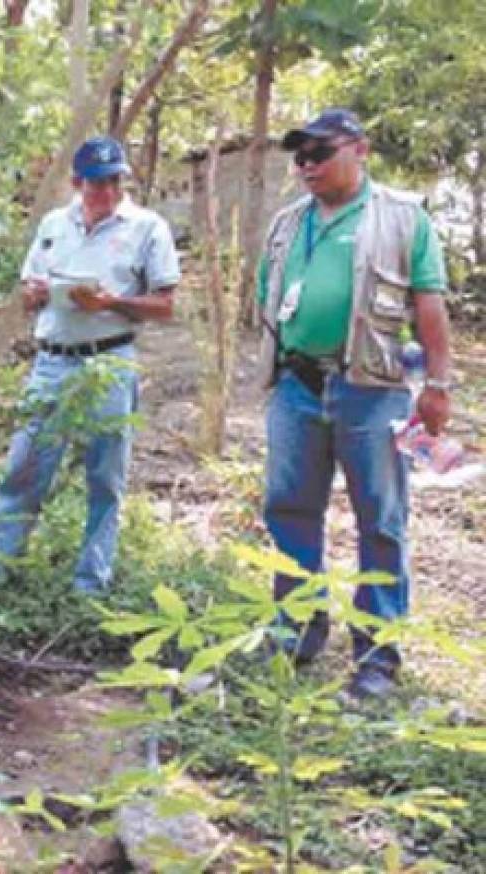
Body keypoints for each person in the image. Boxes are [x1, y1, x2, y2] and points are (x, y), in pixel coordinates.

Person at [255, 108, 453, 700]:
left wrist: (439, 387)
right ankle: (296, 628)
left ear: (359, 149)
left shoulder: (401, 217)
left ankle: (376, 655)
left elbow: (430, 306)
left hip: (373, 389)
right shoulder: (289, 222)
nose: (307, 164)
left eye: (320, 152)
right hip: (297, 386)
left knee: (381, 521)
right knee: (288, 509)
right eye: (300, 155)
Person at [0, 136, 180, 593]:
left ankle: (91, 582)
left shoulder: (147, 227)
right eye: (95, 183)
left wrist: (113, 301)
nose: (105, 191)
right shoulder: (53, 224)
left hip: (109, 359)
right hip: (52, 362)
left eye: (113, 181)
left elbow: (165, 305)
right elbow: (29, 289)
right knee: (24, 467)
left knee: (105, 475)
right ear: (76, 182)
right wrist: (37, 294)